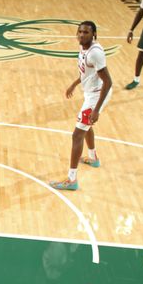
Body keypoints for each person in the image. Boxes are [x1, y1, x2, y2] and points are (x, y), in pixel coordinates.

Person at [50, 21, 112, 191]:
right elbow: (86, 72)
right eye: (80, 32)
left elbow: (108, 81)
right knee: (85, 127)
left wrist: (97, 109)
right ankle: (93, 158)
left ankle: (72, 180)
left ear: (94, 34)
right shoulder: (83, 48)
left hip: (97, 96)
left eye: (86, 32)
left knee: (77, 135)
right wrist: (75, 83)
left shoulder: (95, 54)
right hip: (90, 93)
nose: (82, 35)